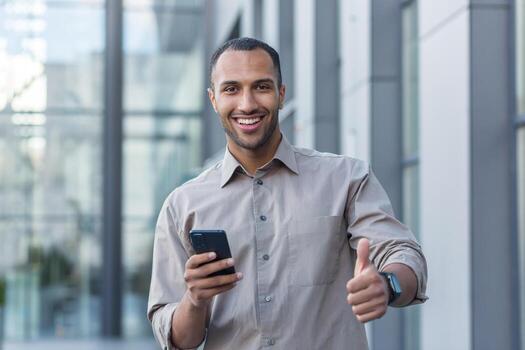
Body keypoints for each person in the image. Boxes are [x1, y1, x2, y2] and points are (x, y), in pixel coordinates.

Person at [147, 37, 427, 350]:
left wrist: (387, 285)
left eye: (262, 86)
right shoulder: (182, 205)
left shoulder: (346, 178)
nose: (247, 104)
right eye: (231, 89)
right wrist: (195, 300)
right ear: (214, 100)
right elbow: (176, 339)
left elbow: (403, 253)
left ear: (281, 94)